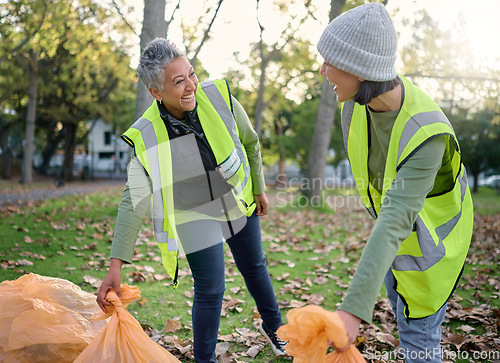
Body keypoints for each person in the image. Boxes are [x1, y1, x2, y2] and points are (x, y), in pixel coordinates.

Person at [96, 38, 287, 362]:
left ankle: (277, 331)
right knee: (211, 288)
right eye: (179, 81)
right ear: (157, 93)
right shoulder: (148, 133)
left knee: (255, 268)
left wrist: (258, 187)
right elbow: (133, 199)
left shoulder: (218, 95)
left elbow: (251, 140)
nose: (191, 86)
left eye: (192, 74)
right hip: (193, 211)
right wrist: (116, 265)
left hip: (236, 199)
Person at [316, 3, 473, 362]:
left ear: (361, 69)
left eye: (331, 61)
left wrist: (353, 310)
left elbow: (397, 215)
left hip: (434, 251)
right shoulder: (353, 108)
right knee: (405, 322)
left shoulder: (427, 132)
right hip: (395, 241)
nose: (323, 70)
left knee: (419, 339)